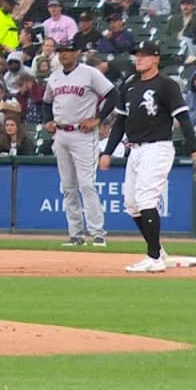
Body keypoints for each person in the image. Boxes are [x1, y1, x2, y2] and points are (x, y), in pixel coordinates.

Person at [99, 41, 196, 272]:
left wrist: (194, 149)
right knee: (131, 204)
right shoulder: (130, 85)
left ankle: (154, 258)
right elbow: (120, 123)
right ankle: (158, 250)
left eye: (144, 55)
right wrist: (107, 152)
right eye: (137, 55)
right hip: (134, 150)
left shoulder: (166, 85)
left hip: (157, 147)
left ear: (156, 59)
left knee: (146, 200)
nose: (139, 59)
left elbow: (183, 118)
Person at [43, 40, 119, 247]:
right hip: (61, 134)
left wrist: (99, 118)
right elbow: (47, 102)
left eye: (68, 50)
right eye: (61, 51)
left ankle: (97, 233)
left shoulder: (89, 73)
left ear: (77, 52)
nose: (64, 54)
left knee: (86, 184)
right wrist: (46, 121)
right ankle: (76, 235)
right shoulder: (55, 76)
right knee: (68, 187)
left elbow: (113, 94)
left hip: (83, 134)